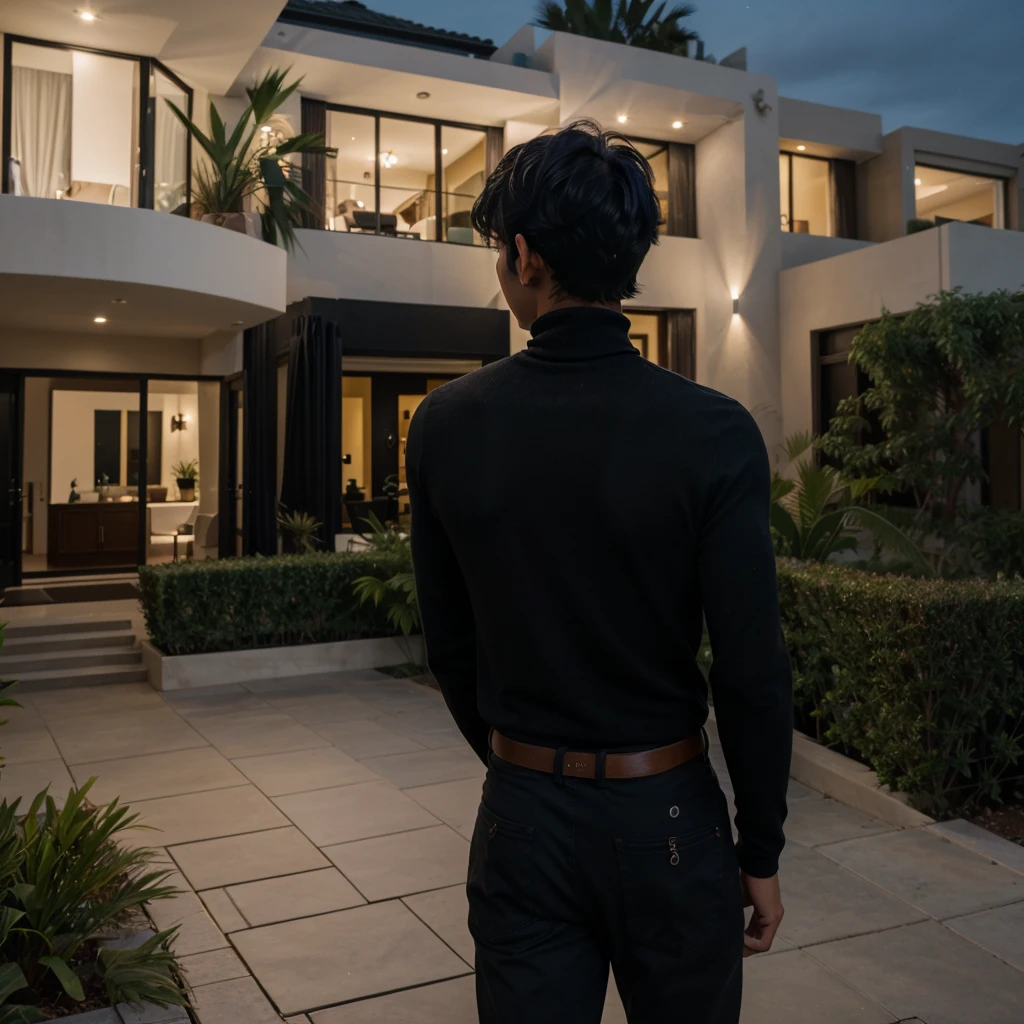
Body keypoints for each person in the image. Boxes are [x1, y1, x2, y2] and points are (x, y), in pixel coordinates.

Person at [406, 120, 792, 1024]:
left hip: (524, 818)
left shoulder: (447, 425)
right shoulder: (713, 430)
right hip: (670, 815)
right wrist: (761, 850)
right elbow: (752, 669)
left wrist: (526, 771)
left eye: (500, 252)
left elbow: (450, 647)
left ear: (527, 257)